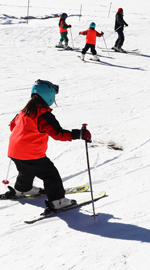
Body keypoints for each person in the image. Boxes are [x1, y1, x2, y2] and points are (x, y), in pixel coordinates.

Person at [7, 80, 92, 212]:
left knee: (26, 170)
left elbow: (12, 126)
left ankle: (22, 189)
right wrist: (80, 134)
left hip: (14, 152)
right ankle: (58, 201)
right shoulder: (43, 115)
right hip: (31, 154)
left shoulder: (23, 111)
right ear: (49, 95)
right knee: (50, 175)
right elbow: (58, 134)